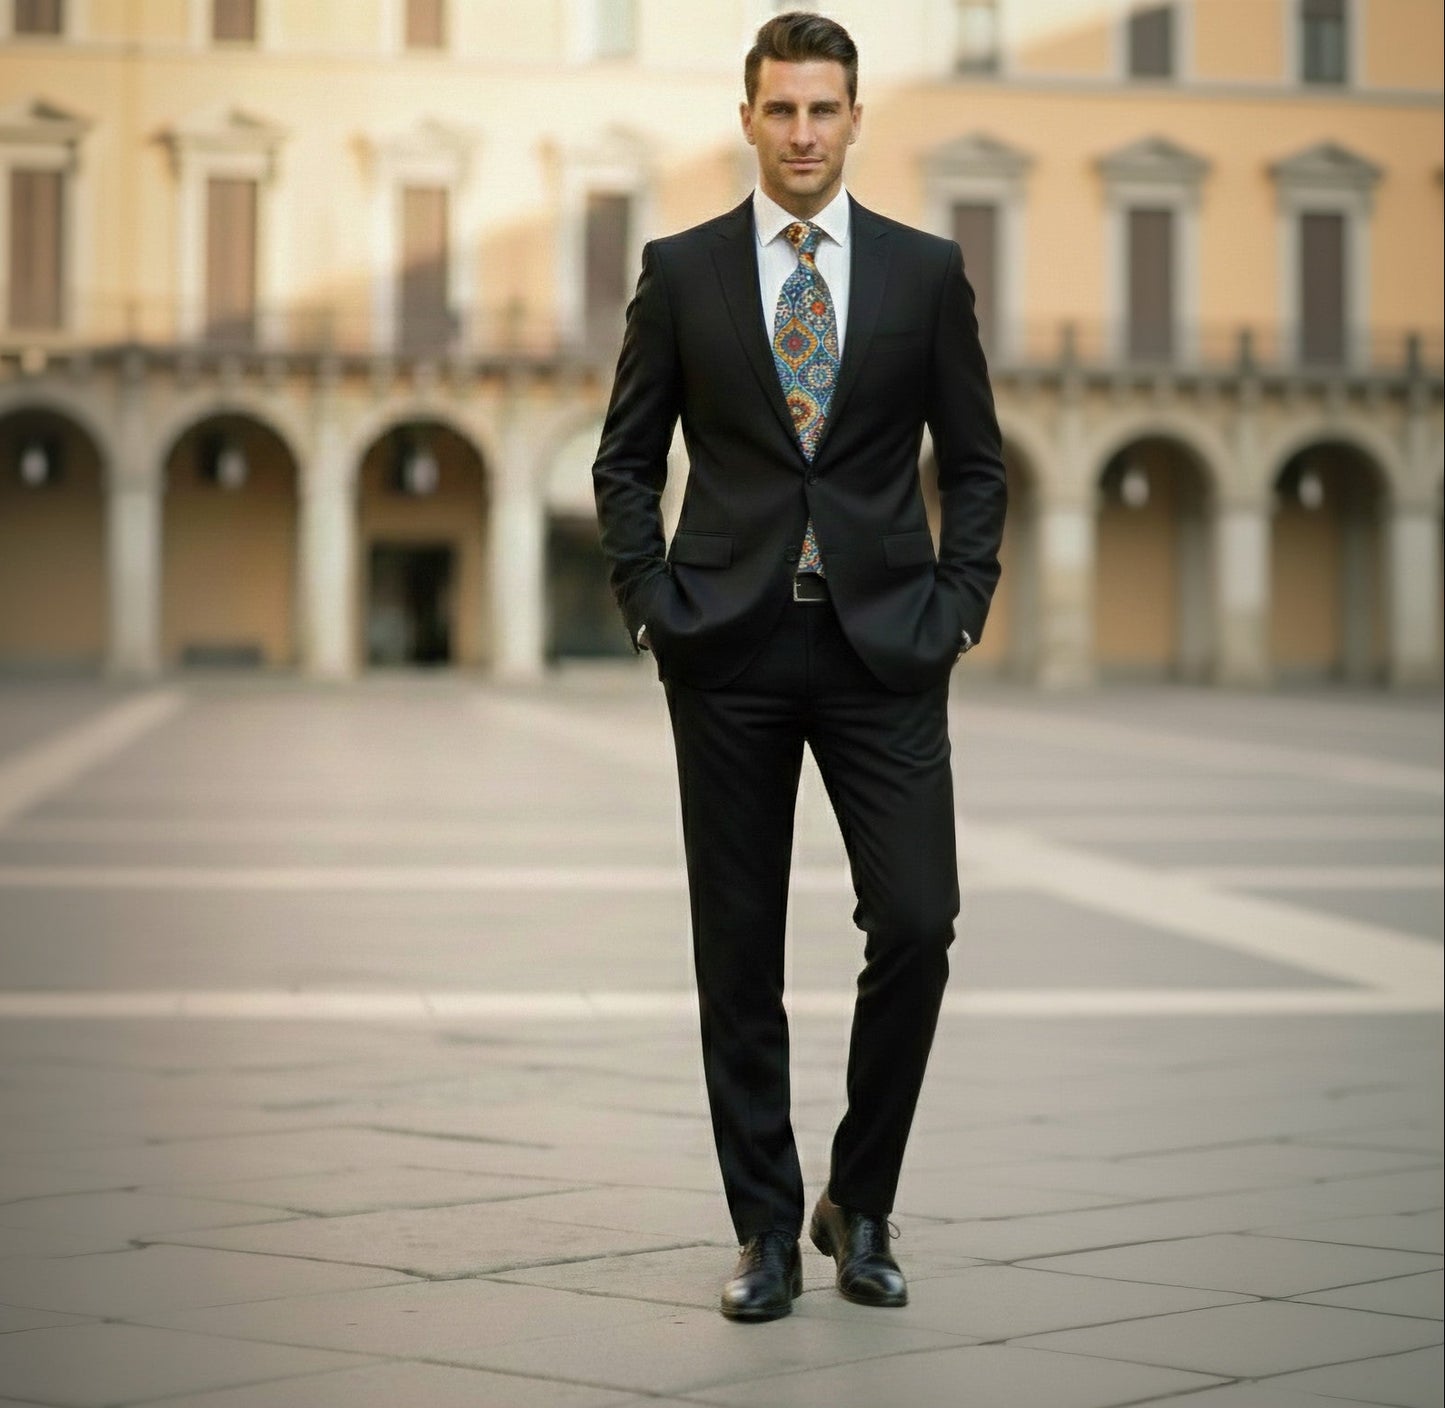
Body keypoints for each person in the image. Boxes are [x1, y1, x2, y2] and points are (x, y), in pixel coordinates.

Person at [592, 10, 1006, 1322]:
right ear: (748, 120)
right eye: (780, 109)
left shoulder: (923, 273)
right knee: (736, 950)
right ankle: (765, 1230)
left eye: (823, 108)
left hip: (886, 645)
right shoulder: (684, 269)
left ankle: (860, 1199)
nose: (803, 132)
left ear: (854, 118)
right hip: (730, 645)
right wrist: (652, 598)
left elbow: (977, 464)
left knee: (919, 923)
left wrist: (958, 604)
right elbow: (623, 458)